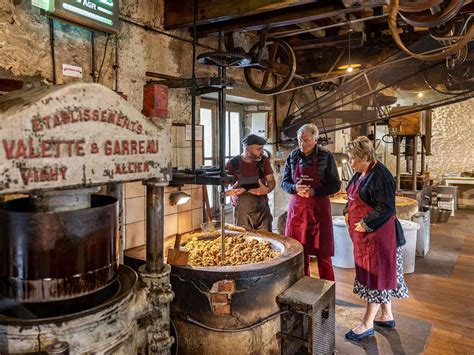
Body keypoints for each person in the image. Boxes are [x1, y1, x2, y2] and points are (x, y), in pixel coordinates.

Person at [343, 136, 409, 341]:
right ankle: (387, 315)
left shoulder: (382, 176)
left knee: (377, 279)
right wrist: (347, 211)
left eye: (353, 158)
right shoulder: (359, 173)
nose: (350, 162)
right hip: (365, 239)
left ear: (365, 157)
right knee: (375, 276)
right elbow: (352, 196)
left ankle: (367, 323)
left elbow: (387, 207)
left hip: (380, 238)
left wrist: (366, 223)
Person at [281, 124, 341, 280]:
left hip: (319, 211)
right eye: (299, 141)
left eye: (306, 141)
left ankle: (328, 289)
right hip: (298, 211)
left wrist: (315, 192)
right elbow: (284, 183)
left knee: (324, 254)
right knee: (300, 253)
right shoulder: (293, 156)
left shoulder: (326, 157)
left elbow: (335, 184)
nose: (302, 145)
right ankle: (303, 289)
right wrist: (294, 188)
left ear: (315, 139)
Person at [225, 134, 275, 231]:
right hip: (242, 214)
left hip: (262, 212)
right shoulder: (232, 164)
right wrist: (228, 192)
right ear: (247, 149)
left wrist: (267, 189)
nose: (262, 152)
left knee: (267, 242)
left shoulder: (263, 161)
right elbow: (221, 188)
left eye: (262, 149)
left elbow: (271, 181)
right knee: (244, 242)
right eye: (259, 149)